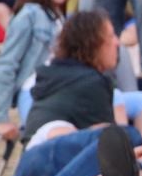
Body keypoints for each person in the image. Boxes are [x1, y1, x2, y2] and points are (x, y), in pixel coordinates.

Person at [0, 0, 82, 141]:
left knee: (141, 101)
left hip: (65, 89)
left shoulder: (62, 19)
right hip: (37, 92)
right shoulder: (30, 15)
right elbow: (7, 63)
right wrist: (0, 117)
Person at [18, 11, 128, 146]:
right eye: (111, 36)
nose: (117, 42)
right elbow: (108, 147)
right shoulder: (91, 83)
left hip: (32, 159)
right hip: (58, 160)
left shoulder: (57, 75)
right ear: (93, 43)